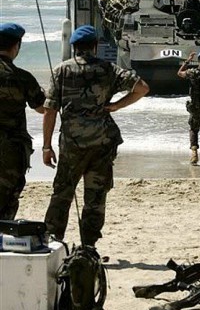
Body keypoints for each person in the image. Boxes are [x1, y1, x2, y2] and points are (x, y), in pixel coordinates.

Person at [42, 25, 149, 246]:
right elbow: (142, 88)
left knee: (62, 194)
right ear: (95, 46)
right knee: (96, 196)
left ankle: (53, 241)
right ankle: (89, 245)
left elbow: (50, 110)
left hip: (72, 144)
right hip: (101, 142)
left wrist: (46, 146)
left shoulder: (61, 71)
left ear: (73, 47)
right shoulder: (109, 69)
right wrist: (117, 105)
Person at [0, 23, 45, 219]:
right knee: (7, 200)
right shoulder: (22, 78)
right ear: (16, 46)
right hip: (10, 149)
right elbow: (43, 108)